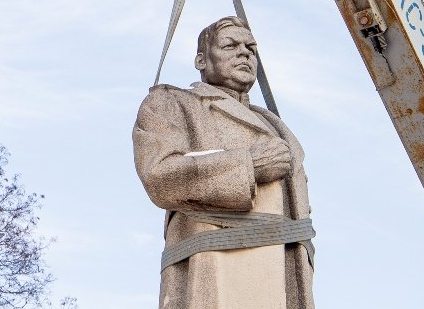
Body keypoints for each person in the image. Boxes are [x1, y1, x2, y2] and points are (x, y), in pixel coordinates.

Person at [133, 16, 315, 309]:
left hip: (283, 276)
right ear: (201, 60)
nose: (244, 53)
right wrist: (248, 166)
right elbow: (159, 175)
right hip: (216, 266)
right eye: (230, 45)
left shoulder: (276, 124)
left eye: (251, 48)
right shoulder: (172, 103)